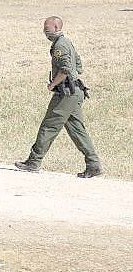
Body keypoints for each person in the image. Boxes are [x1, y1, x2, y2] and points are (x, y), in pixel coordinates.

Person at [15, 16, 102, 178]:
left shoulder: (60, 45)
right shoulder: (66, 42)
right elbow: (78, 65)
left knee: (49, 126)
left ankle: (34, 161)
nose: (45, 32)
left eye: (47, 28)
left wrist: (52, 84)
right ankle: (93, 164)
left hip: (66, 93)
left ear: (56, 27)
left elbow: (66, 69)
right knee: (77, 130)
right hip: (75, 91)